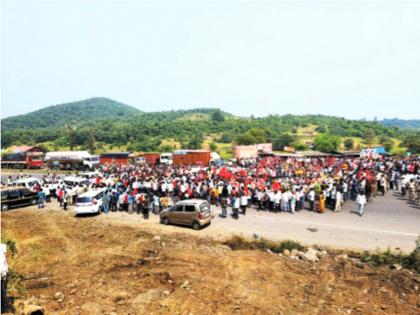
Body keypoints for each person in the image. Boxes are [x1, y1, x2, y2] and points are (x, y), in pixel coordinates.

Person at [1, 244, 8, 312]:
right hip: (3, 275)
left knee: (3, 292)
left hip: (3, 275)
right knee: (3, 291)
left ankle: (3, 307)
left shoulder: (4, 257)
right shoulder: (2, 257)